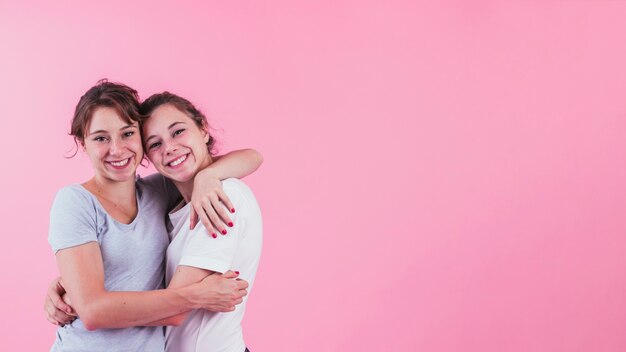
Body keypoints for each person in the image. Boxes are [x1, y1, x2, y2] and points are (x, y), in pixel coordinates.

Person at [45, 80, 263, 352]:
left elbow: (252, 157)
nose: (117, 149)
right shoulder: (75, 202)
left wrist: (209, 175)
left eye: (127, 134)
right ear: (83, 143)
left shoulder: (157, 191)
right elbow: (92, 312)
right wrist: (197, 295)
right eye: (101, 138)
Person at [140, 92, 262, 351]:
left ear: (203, 129)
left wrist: (90, 305)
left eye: (178, 132)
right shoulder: (173, 204)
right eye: (155, 144)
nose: (170, 147)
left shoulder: (221, 199)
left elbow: (171, 311)